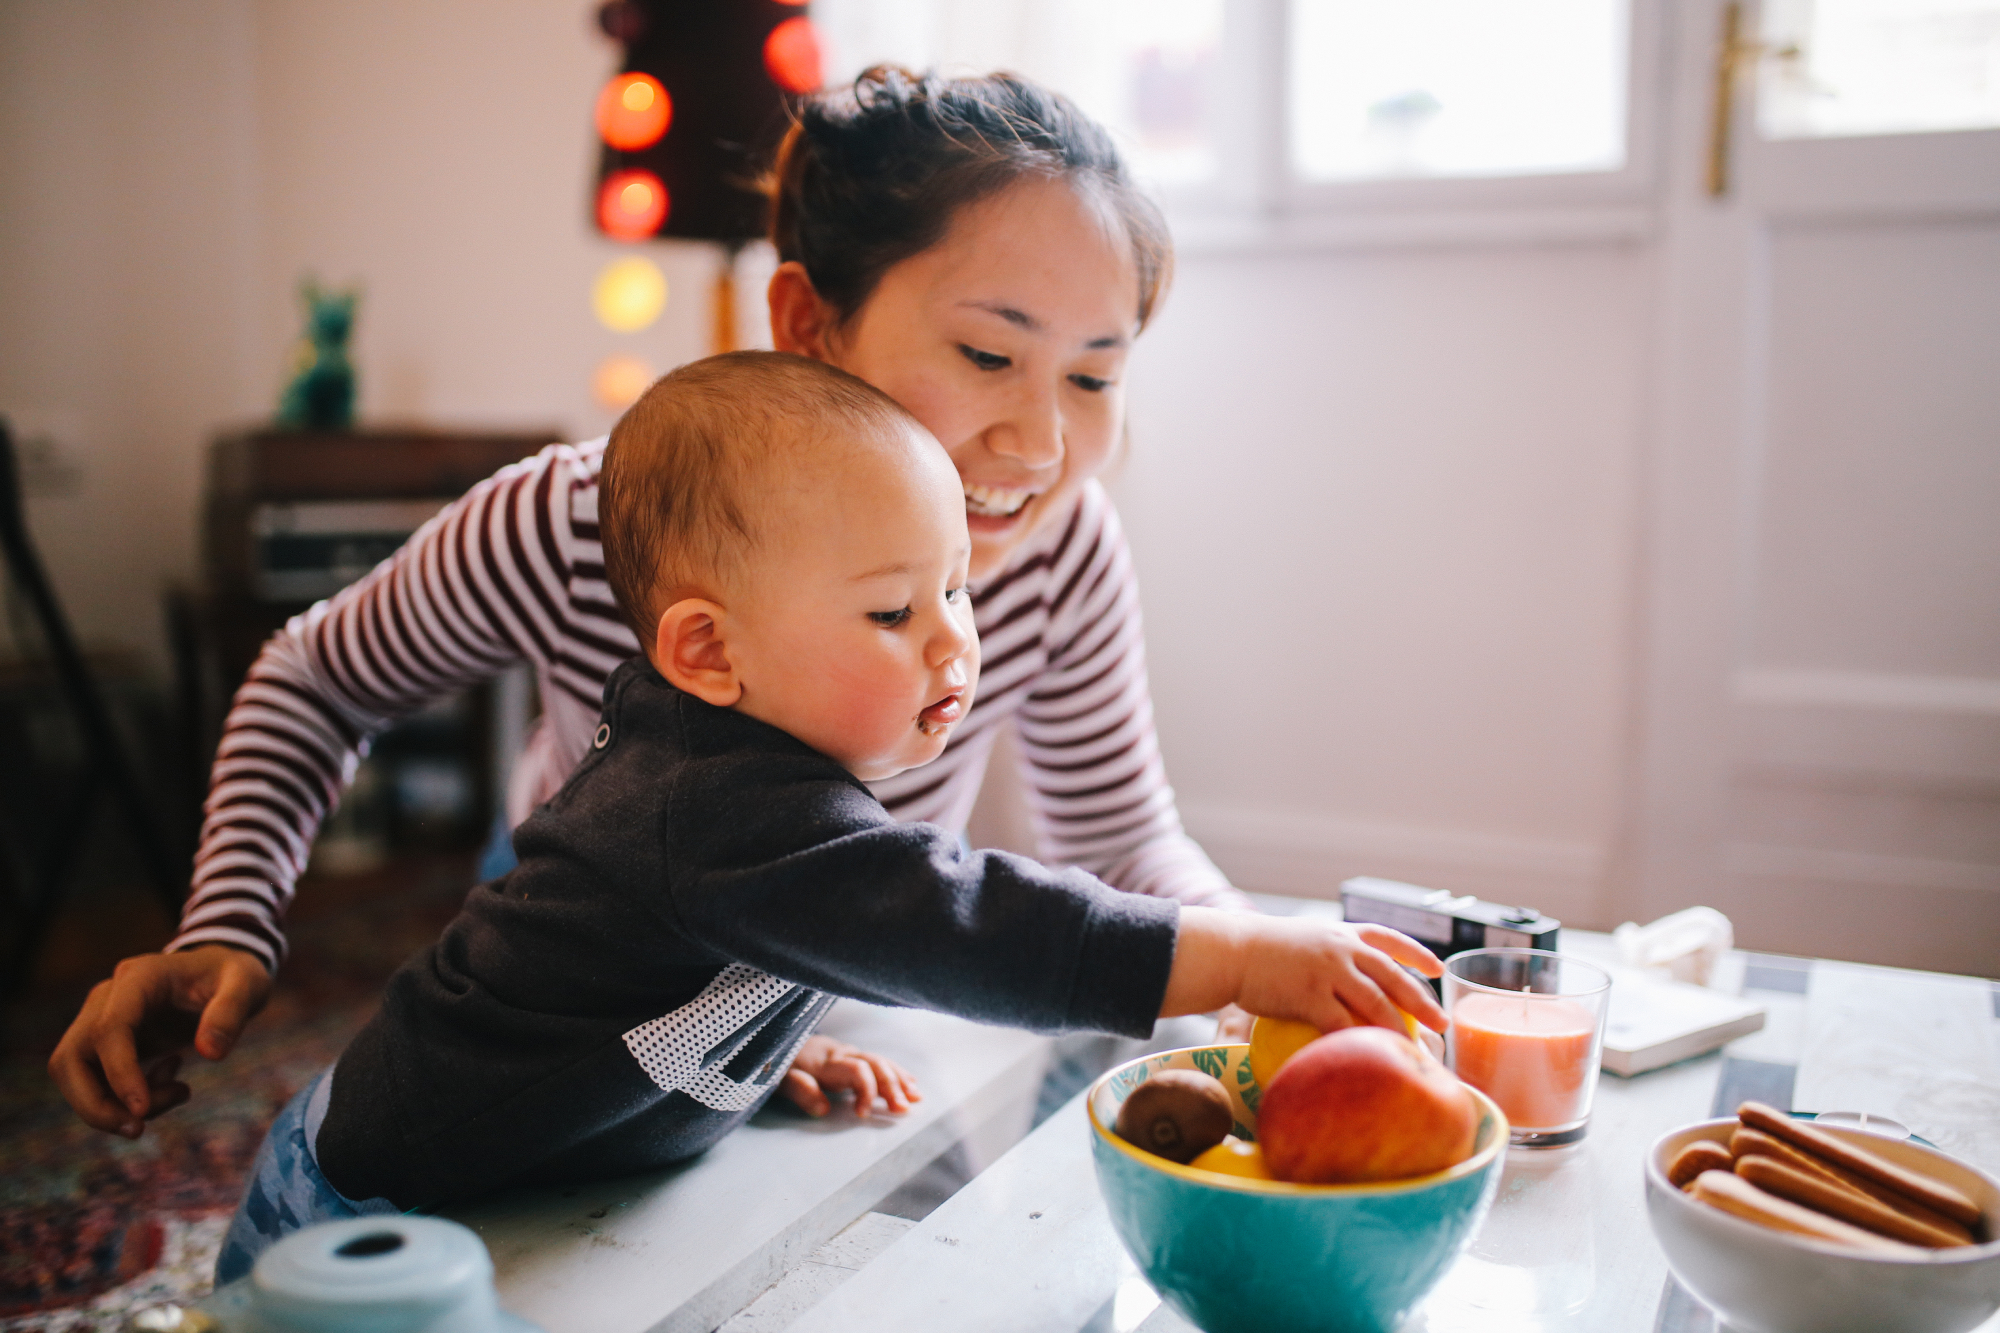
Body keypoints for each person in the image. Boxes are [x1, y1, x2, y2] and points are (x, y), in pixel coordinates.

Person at [51, 68, 1257, 1140]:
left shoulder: (1060, 548)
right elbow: (314, 677)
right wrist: (227, 925)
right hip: (592, 962)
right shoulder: (569, 519)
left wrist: (1260, 966)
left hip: (814, 984)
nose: (1041, 442)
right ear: (805, 322)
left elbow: (1120, 837)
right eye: (990, 357)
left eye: (1095, 373)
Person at [211, 352, 1447, 1278]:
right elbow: (963, 922)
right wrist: (1234, 955)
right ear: (707, 650)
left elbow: (644, 960)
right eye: (890, 612)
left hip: (526, 1171)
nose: (951, 642)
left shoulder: (745, 776)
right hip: (361, 1218)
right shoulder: (715, 804)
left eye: (953, 589)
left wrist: (747, 1046)